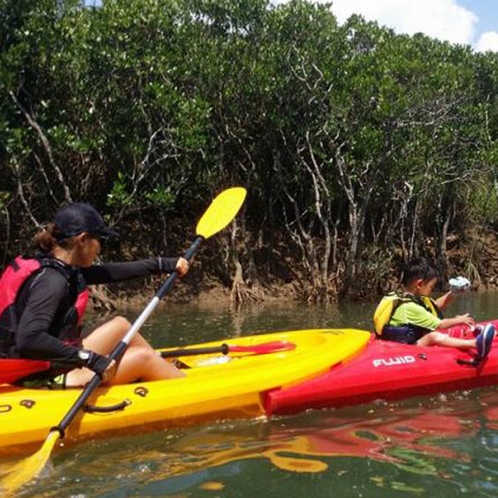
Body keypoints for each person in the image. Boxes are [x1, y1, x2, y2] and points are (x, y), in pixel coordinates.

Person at [0, 202, 189, 388]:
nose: (100, 247)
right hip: (37, 376)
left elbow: (109, 272)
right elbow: (29, 339)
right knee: (142, 358)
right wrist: (89, 359)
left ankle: (161, 372)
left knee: (120, 326)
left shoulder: (57, 266)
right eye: (99, 239)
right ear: (82, 240)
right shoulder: (52, 281)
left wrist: (163, 264)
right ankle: (184, 388)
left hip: (49, 362)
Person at [373, 257, 495, 361]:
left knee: (445, 328)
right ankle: (476, 344)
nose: (432, 290)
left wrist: (452, 293)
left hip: (400, 342)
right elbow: (440, 325)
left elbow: (433, 307)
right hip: (404, 348)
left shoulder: (405, 297)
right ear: (419, 284)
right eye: (431, 287)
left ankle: (487, 334)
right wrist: (460, 320)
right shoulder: (408, 308)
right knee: (434, 336)